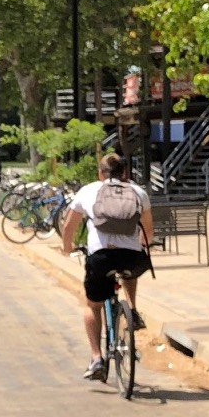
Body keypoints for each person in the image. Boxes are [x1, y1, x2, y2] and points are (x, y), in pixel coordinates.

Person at [56, 153, 154, 382]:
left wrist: (67, 249)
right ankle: (132, 309)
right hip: (131, 257)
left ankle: (96, 358)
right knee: (129, 269)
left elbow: (68, 226)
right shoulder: (138, 192)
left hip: (100, 256)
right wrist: (139, 245)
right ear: (125, 173)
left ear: (101, 174)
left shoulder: (89, 191)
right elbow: (148, 231)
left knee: (93, 305)